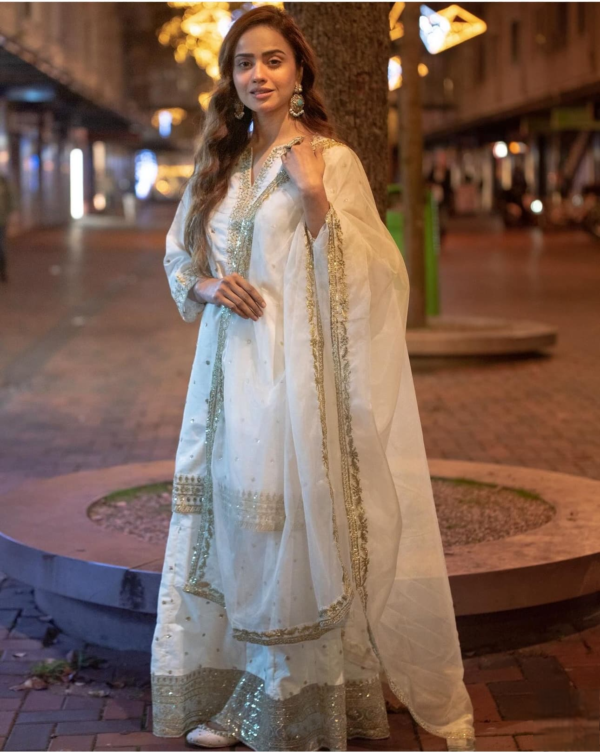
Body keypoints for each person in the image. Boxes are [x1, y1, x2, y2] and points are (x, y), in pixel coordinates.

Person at [151, 6, 475, 751]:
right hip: (226, 378)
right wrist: (205, 288)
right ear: (229, 80)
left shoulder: (331, 160)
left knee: (286, 526)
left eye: (272, 61)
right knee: (233, 529)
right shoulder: (220, 166)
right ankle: (240, 689)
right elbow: (179, 257)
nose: (257, 75)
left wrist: (317, 197)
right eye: (243, 64)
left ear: (298, 75)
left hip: (296, 379)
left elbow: (376, 276)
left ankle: (291, 699)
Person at [0, 172, 15, 282]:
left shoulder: (3, 182)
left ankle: (2, 270)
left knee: (1, 246)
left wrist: (8, 214)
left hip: (1, 221)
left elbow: (11, 200)